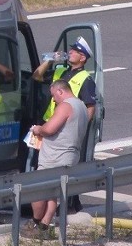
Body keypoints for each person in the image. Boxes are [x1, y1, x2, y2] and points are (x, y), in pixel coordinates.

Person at [32, 35, 97, 211]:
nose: (70, 52)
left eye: (75, 51)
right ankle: (49, 209)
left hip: (66, 130)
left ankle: (67, 205)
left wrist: (79, 128)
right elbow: (37, 76)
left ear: (83, 58)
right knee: (43, 166)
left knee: (58, 170)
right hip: (49, 126)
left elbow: (90, 108)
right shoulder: (60, 71)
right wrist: (49, 60)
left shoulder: (85, 79)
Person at [20, 79, 89, 240]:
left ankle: (36, 222)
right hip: (70, 156)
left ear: (60, 91)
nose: (53, 100)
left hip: (54, 158)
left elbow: (49, 129)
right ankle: (44, 226)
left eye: (53, 96)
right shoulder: (82, 107)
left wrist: (38, 129)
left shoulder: (66, 106)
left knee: (36, 191)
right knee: (52, 193)